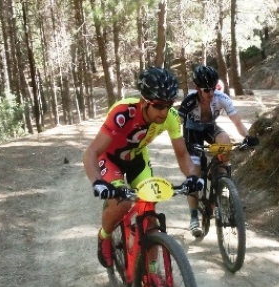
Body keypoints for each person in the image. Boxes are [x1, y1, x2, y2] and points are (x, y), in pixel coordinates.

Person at [83, 67, 204, 270]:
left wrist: (193, 177)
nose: (164, 112)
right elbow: (91, 153)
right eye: (158, 106)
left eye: (168, 105)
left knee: (150, 211)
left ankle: (153, 270)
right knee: (122, 204)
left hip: (137, 158)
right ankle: (105, 235)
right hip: (110, 158)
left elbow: (183, 156)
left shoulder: (171, 117)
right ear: (144, 101)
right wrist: (99, 183)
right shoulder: (123, 112)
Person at [178, 65, 259, 237]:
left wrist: (248, 136)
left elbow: (237, 122)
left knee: (225, 141)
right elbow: (175, 124)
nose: (210, 93)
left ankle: (221, 180)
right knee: (194, 174)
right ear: (198, 88)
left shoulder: (221, 98)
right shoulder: (189, 101)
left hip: (209, 128)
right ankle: (194, 217)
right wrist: (182, 147)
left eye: (213, 89)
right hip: (192, 133)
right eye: (206, 90)